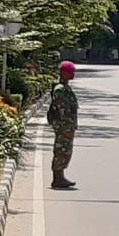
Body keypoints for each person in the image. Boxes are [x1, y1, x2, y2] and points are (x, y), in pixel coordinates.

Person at [48, 61, 79, 190]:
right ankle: (57, 178)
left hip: (67, 125)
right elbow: (62, 109)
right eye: (71, 72)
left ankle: (60, 176)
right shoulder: (60, 89)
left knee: (65, 150)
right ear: (64, 73)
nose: (73, 74)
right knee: (61, 150)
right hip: (63, 125)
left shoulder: (65, 87)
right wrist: (66, 127)